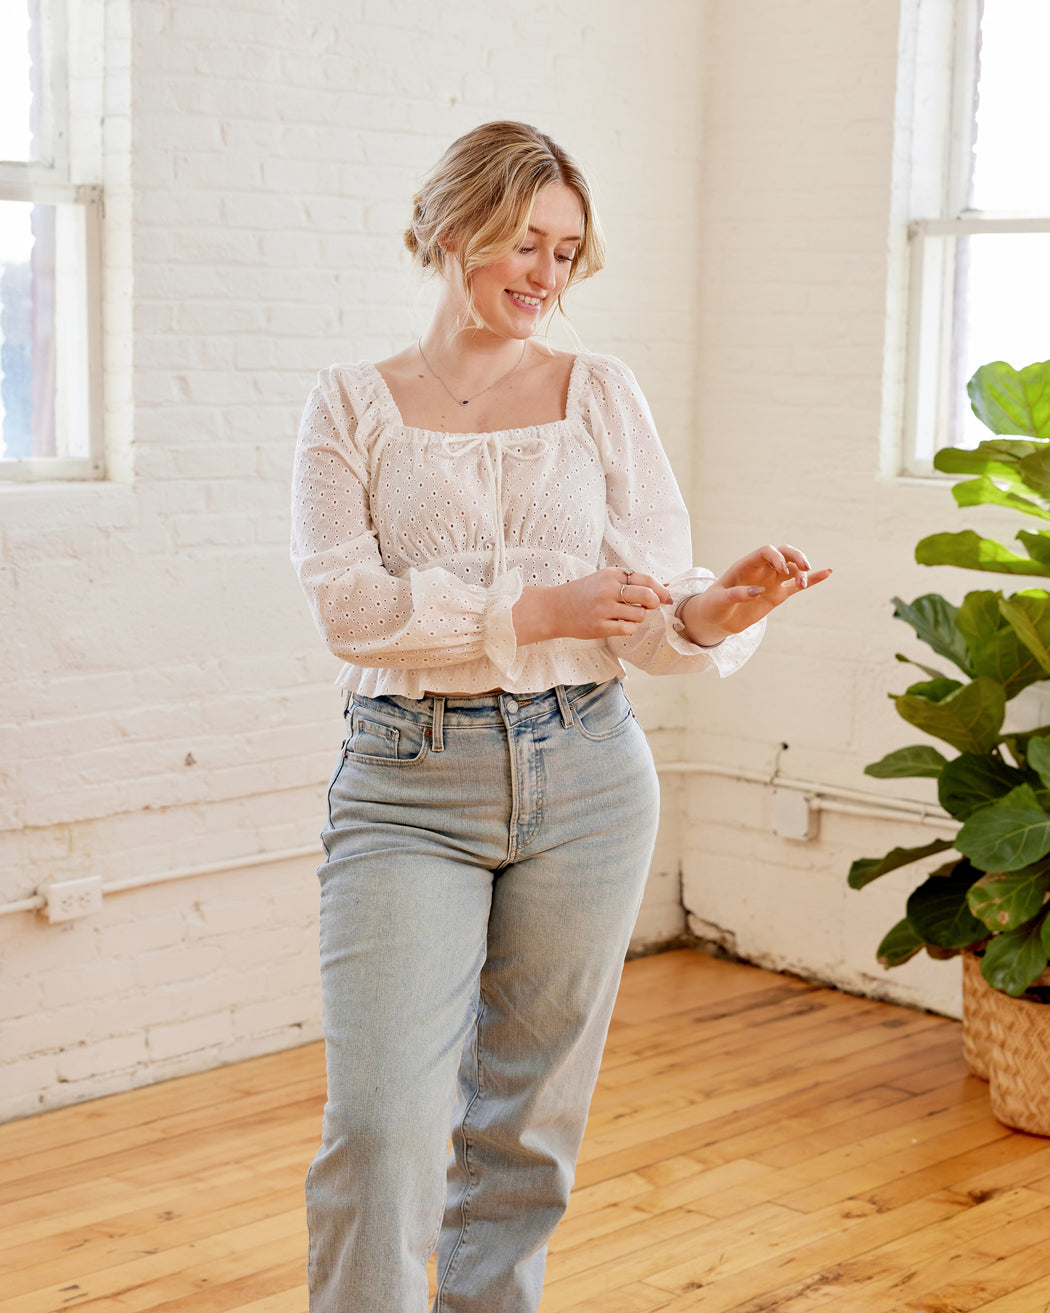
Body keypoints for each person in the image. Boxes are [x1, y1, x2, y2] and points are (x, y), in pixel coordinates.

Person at [290, 120, 830, 1313]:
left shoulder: (600, 394)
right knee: (378, 1128)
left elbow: (641, 608)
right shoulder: (349, 406)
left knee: (528, 1128)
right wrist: (542, 604)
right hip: (406, 782)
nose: (546, 273)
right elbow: (350, 609)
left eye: (569, 251)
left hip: (589, 770)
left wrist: (710, 607)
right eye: (524, 241)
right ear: (448, 229)